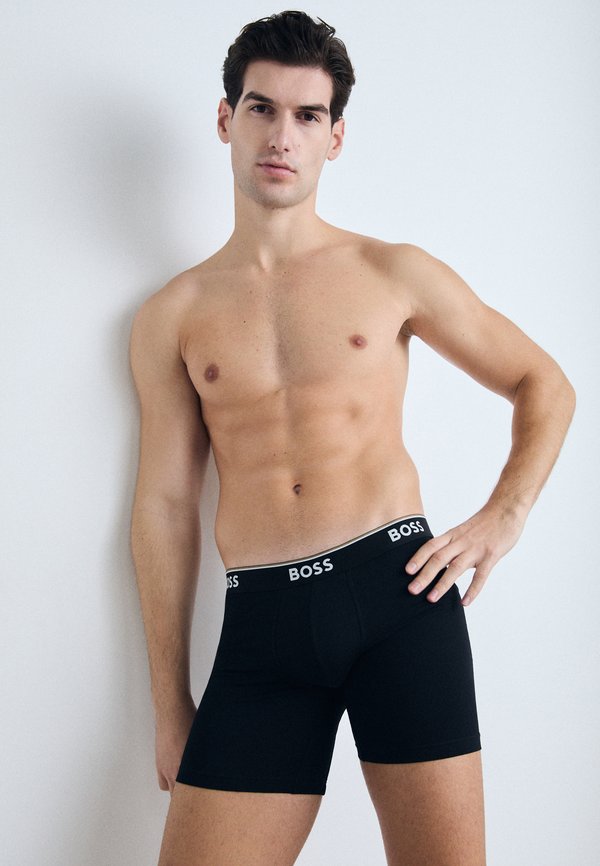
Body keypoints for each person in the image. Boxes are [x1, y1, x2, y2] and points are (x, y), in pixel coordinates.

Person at [128, 10, 575, 866]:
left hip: (399, 601)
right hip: (262, 628)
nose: (281, 136)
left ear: (334, 138)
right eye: (261, 109)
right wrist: (169, 702)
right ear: (226, 119)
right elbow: (165, 507)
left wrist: (503, 517)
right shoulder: (171, 316)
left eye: (307, 116)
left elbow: (543, 382)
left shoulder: (390, 271)